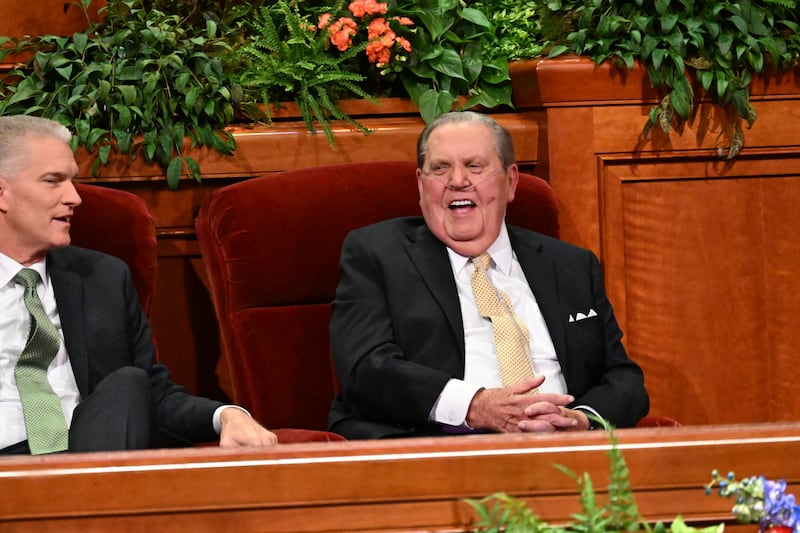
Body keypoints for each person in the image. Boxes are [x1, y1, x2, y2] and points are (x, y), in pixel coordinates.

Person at [328, 111, 649, 439]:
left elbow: (623, 377)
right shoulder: (377, 254)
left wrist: (580, 420)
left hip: (566, 451)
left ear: (510, 181)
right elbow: (364, 368)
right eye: (440, 168)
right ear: (421, 186)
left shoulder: (570, 265)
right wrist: (473, 405)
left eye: (474, 166)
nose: (457, 180)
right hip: (437, 453)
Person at [0, 115, 277, 455]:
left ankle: (89, 501)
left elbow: (153, 396)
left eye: (72, 180)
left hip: (89, 453)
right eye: (53, 181)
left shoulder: (102, 278)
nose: (74, 197)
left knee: (128, 383)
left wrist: (225, 415)